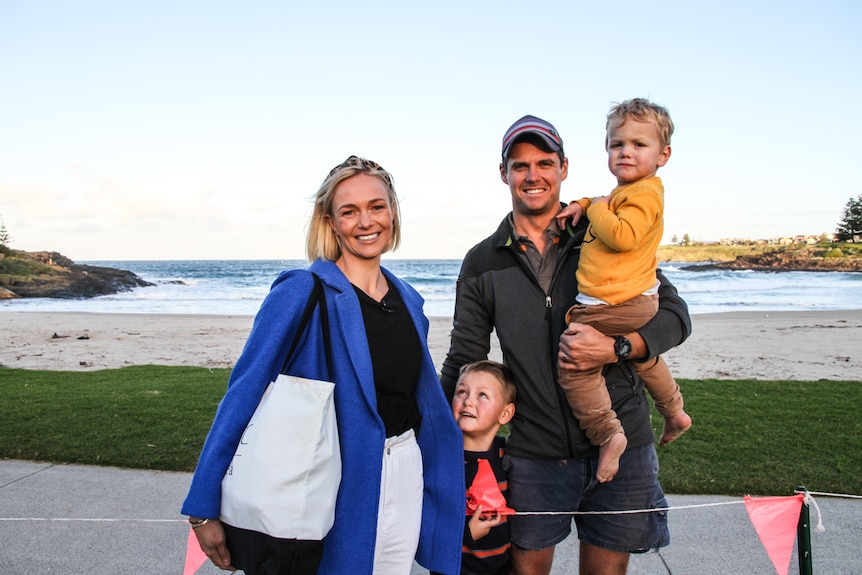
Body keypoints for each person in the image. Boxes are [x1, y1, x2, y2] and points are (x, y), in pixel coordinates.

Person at [182, 155, 465, 575]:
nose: (366, 221)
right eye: (349, 211)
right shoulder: (301, 292)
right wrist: (203, 507)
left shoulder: (409, 299)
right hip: (330, 477)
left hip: (405, 471)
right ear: (331, 222)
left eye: (377, 206)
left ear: (392, 213)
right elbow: (243, 393)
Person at [441, 115, 692, 575]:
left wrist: (617, 348)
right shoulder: (482, 261)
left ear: (564, 168)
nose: (532, 175)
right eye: (520, 166)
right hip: (534, 454)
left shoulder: (601, 232)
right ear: (504, 174)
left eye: (544, 163)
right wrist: (435, 433)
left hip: (622, 444)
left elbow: (674, 316)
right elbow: (465, 358)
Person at [552, 98, 692, 484]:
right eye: (617, 144)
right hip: (635, 304)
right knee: (644, 358)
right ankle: (674, 409)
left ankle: (608, 433)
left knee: (576, 366)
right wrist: (584, 203)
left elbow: (623, 235)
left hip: (610, 305)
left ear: (663, 155)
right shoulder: (629, 192)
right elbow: (605, 202)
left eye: (638, 144)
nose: (625, 152)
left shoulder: (645, 194)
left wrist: (594, 207)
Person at [433, 360, 516, 575]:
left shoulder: (509, 456)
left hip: (502, 568)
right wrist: (465, 534)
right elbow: (429, 522)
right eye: (461, 392)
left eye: (482, 395)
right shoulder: (442, 459)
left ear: (505, 414)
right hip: (452, 569)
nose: (468, 401)